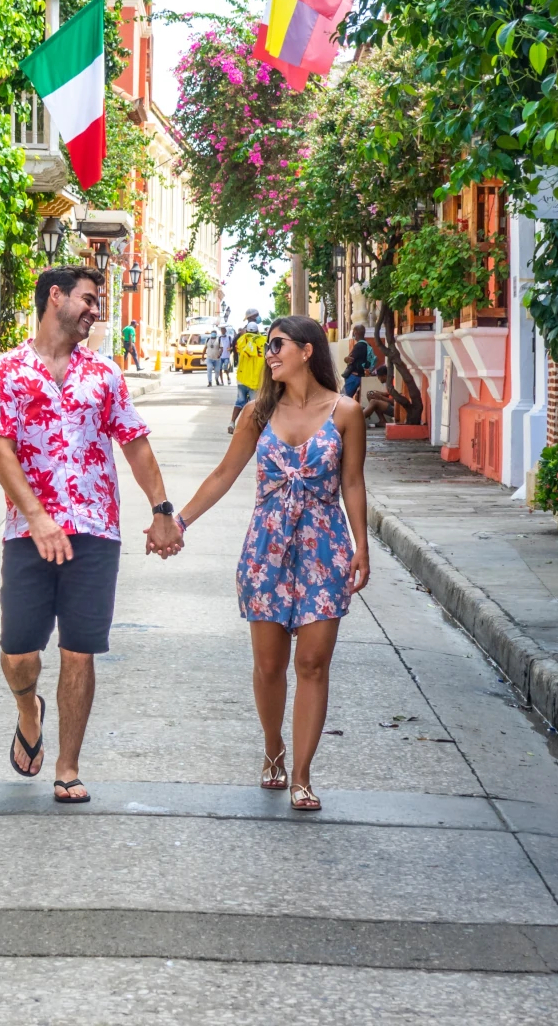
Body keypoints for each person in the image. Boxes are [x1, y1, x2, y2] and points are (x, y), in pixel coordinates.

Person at [0, 267, 184, 805]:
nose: (96, 310)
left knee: (79, 650)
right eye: (88, 299)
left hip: (95, 530)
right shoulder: (4, 372)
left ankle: (67, 766)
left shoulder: (105, 374)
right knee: (18, 652)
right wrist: (38, 517)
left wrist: (162, 509)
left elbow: (135, 444)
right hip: (28, 532)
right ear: (56, 297)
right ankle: (29, 710)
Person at [173, 315, 369, 811]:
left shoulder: (346, 412)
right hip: (266, 550)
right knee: (268, 665)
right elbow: (224, 474)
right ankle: (273, 747)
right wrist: (179, 522)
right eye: (268, 346)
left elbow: (352, 483)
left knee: (313, 663)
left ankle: (302, 775)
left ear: (307, 350)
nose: (270, 354)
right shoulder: (257, 414)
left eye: (278, 344)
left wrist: (362, 545)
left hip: (325, 549)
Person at [229, 314, 266, 435]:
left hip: (242, 378)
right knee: (253, 405)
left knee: (239, 401)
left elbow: (237, 347)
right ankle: (251, 428)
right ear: (257, 331)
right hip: (255, 379)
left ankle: (232, 422)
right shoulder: (263, 341)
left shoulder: (242, 340)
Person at [342, 323, 378, 399]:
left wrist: (346, 359)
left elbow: (350, 359)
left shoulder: (358, 346)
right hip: (361, 375)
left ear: (355, 332)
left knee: (343, 397)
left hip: (354, 376)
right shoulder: (367, 345)